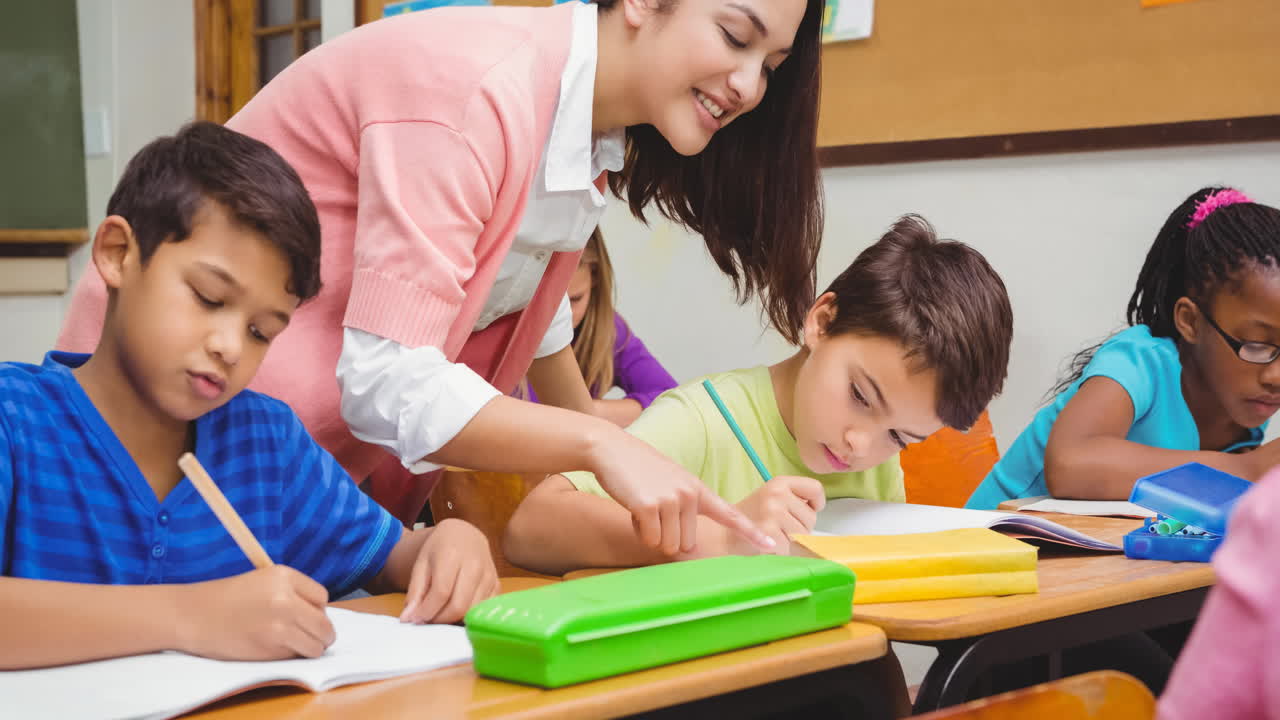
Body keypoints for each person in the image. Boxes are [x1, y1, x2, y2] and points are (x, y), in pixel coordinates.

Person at [59, 0, 828, 554]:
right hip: (160, 443)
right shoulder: (473, 89)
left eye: (772, 65)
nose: (751, 86)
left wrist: (624, 454)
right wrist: (595, 445)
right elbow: (389, 380)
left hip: (299, 493)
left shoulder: (585, 137)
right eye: (735, 36)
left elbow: (527, 300)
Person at [0, 123, 497, 670]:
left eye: (262, 331)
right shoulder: (15, 420)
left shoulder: (266, 444)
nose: (231, 347)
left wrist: (449, 542)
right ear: (118, 254)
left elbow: (398, 557)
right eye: (209, 298)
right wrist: (190, 616)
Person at [505, 215, 1014, 575]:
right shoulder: (704, 421)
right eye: (860, 395)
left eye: (901, 437)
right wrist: (723, 539)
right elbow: (532, 526)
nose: (862, 445)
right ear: (822, 321)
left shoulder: (871, 460)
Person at [968, 187, 1280, 509]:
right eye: (1256, 344)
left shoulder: (1245, 395)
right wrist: (1247, 468)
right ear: (1191, 322)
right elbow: (1071, 465)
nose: (1276, 376)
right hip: (989, 541)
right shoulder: (1139, 361)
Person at [527, 228, 677, 426]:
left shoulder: (609, 332)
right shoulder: (493, 335)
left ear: (595, 278)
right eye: (551, 303)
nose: (563, 317)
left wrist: (582, 410)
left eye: (575, 300)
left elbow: (672, 402)